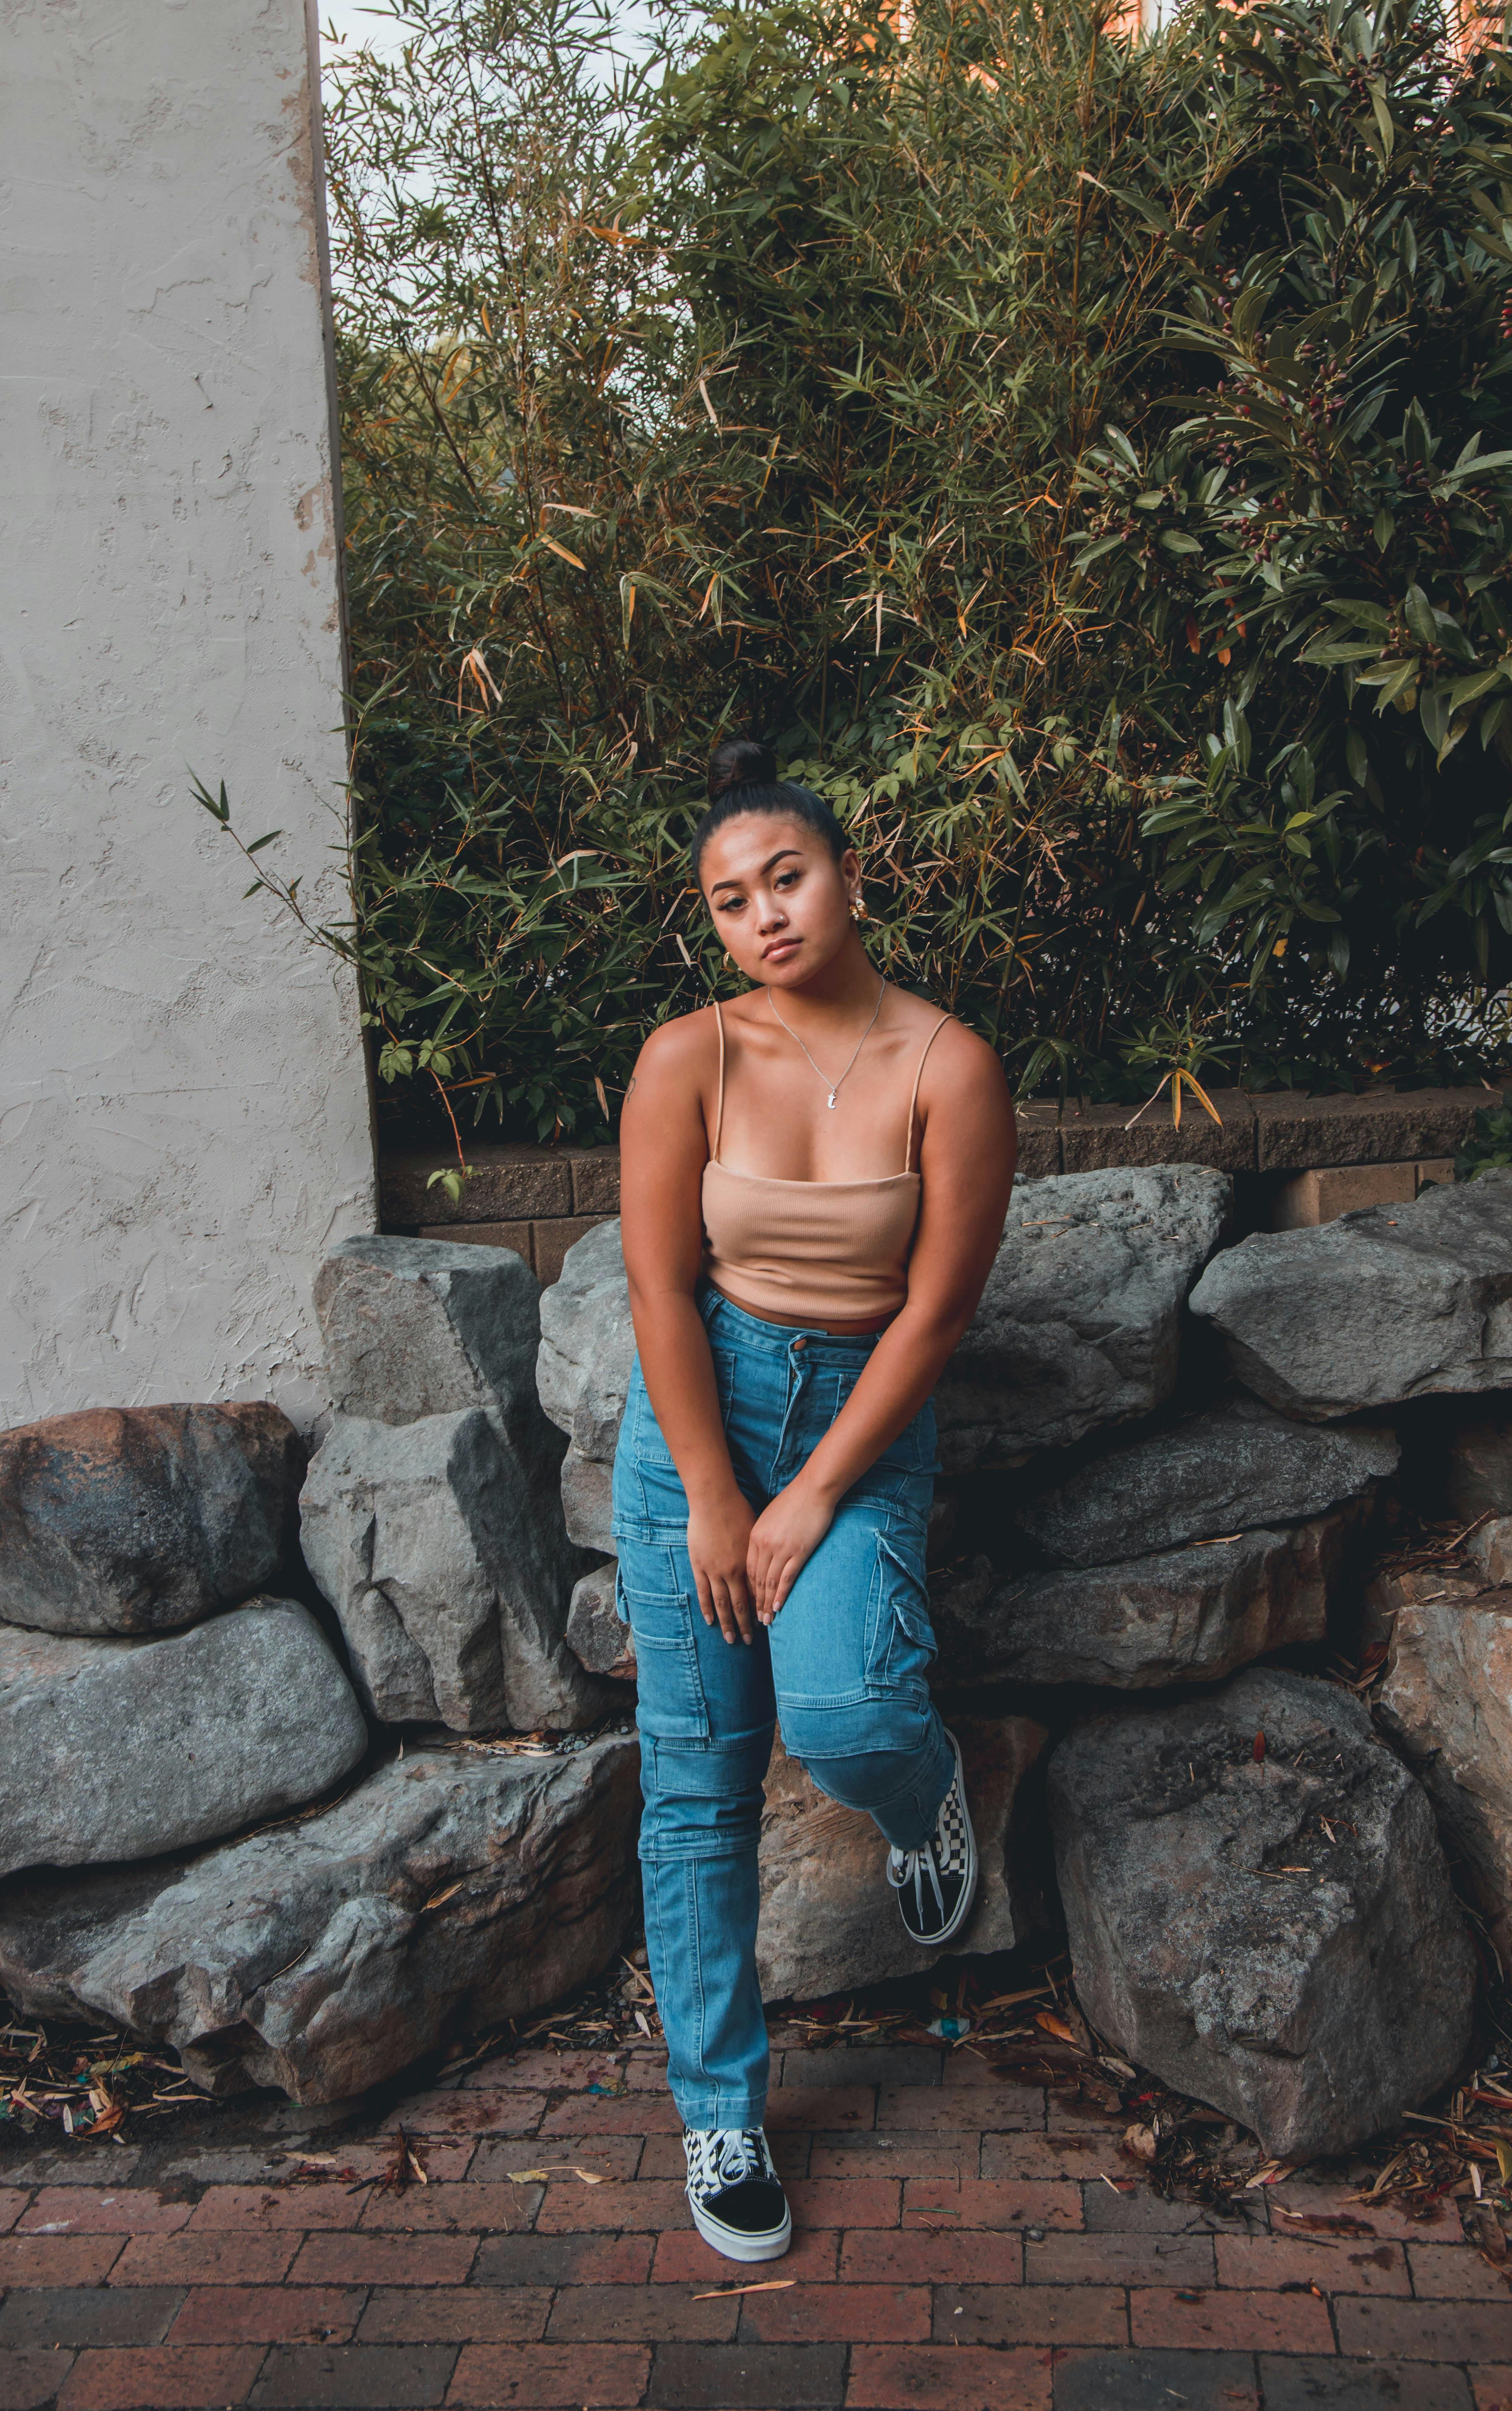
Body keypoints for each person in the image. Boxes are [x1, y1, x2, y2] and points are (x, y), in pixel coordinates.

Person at [613, 736, 1017, 2264]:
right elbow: (659, 1290)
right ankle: (721, 2114)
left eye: (785, 879)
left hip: (861, 1418)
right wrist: (716, 1496)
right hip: (698, 1423)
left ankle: (925, 1800)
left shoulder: (948, 1066)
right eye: (731, 901)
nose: (764, 916)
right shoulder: (690, 1058)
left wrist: (809, 1497)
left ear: (849, 876)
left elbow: (938, 1314)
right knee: (698, 1788)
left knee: (847, 1717)